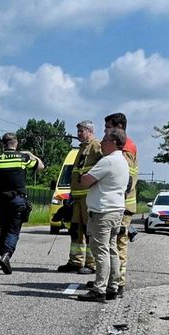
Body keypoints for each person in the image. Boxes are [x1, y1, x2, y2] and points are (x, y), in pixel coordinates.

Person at [75, 128, 129, 303]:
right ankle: (113, 286)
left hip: (103, 211)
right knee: (112, 248)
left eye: (104, 140)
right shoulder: (122, 161)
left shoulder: (108, 161)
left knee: (100, 250)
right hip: (116, 210)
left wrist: (84, 176)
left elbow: (85, 181)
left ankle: (99, 289)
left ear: (113, 142)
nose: (101, 143)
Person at [0, 133, 44, 274]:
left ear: (2, 144)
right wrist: (30, 154)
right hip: (17, 199)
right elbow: (41, 167)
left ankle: (3, 255)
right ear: (16, 143)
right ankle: (6, 255)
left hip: (0, 200)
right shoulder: (22, 158)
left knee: (4, 229)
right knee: (13, 230)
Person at [59, 120, 101, 273]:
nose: (78, 134)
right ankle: (75, 261)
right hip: (77, 198)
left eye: (81, 131)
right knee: (75, 230)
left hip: (89, 197)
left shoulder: (96, 146)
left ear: (90, 131)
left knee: (90, 231)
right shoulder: (82, 148)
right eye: (78, 131)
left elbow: (105, 166)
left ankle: (92, 264)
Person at [104, 112, 138, 297]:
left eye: (109, 127)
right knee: (112, 244)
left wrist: (118, 200)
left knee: (118, 244)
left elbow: (128, 179)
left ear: (120, 127)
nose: (106, 131)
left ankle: (118, 283)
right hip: (121, 204)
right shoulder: (125, 146)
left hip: (122, 206)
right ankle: (111, 280)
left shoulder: (126, 148)